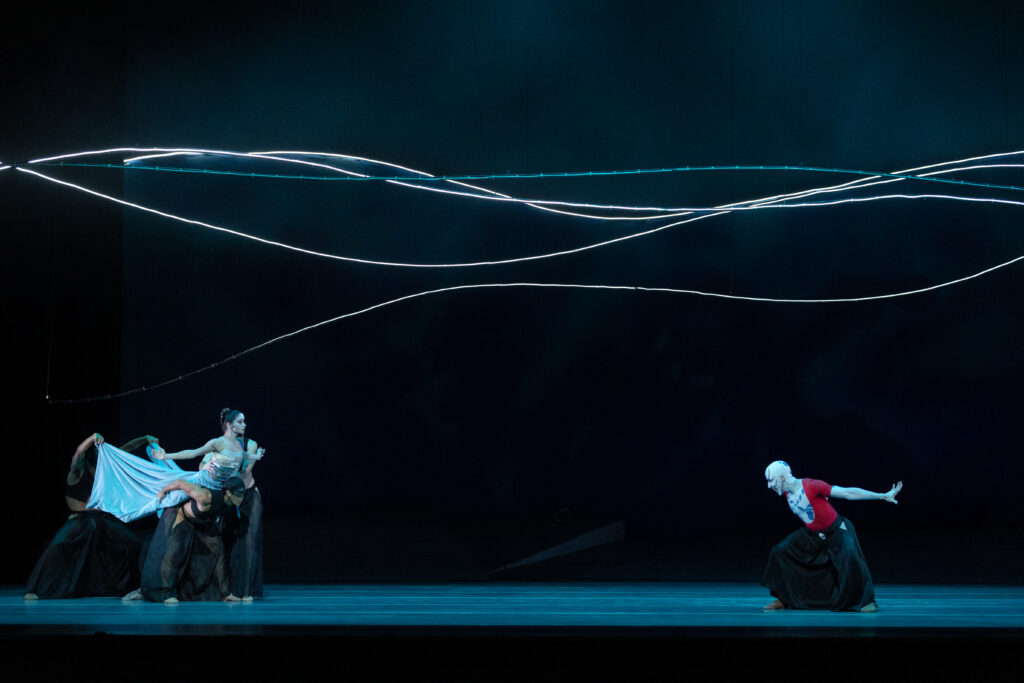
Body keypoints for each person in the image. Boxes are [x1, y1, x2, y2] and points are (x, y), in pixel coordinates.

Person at [24, 433, 157, 600]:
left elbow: (126, 449)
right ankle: (35, 590)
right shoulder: (78, 472)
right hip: (80, 520)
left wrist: (145, 439)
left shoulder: (105, 470)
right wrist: (93, 437)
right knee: (57, 546)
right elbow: (79, 452)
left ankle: (139, 588)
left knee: (134, 545)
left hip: (103, 521)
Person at [153, 407, 265, 600]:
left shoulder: (240, 446)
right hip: (204, 482)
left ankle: (225, 592)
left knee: (217, 538)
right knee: (175, 496)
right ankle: (157, 498)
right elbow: (193, 453)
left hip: (218, 491)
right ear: (229, 424)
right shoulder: (217, 442)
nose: (244, 425)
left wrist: (256, 456)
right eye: (240, 422)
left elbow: (244, 458)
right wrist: (167, 456)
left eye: (244, 421)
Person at [762, 460, 902, 612]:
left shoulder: (811, 486)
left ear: (782, 478)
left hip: (836, 531)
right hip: (813, 535)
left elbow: (847, 493)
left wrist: (882, 496)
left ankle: (865, 601)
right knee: (780, 551)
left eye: (771, 480)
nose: (769, 486)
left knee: (850, 555)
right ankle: (784, 598)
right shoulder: (788, 492)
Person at [140, 475, 245, 603]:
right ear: (228, 492)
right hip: (181, 515)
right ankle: (164, 593)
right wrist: (162, 492)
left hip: (202, 521)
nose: (241, 497)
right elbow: (180, 482)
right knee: (173, 551)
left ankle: (225, 593)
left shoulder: (230, 505)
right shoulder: (205, 496)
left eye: (243, 494)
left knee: (219, 550)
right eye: (239, 494)